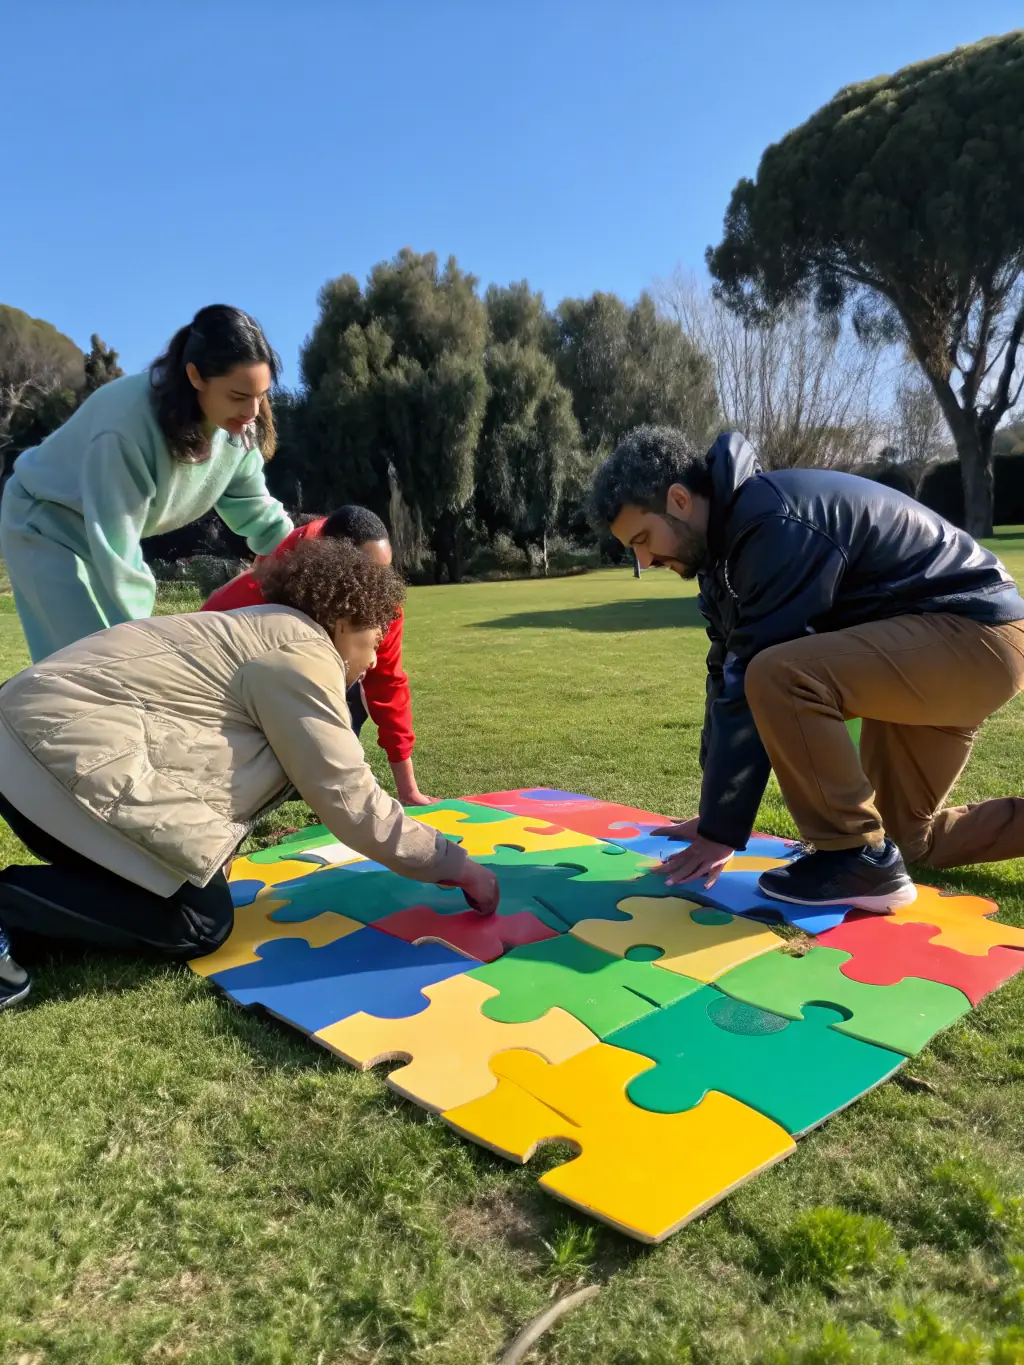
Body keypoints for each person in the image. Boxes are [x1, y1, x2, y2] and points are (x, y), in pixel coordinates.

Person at [0, 536, 499, 1010]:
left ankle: (24, 930)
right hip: (45, 747)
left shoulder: (267, 630)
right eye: (375, 638)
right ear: (345, 621)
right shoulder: (301, 654)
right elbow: (350, 799)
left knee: (187, 896)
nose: (373, 659)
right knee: (197, 922)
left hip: (35, 741)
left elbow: (204, 772)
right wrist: (457, 865)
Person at [591, 425, 1024, 912]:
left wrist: (721, 833)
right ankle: (875, 852)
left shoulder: (770, 522)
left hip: (975, 636)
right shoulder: (723, 562)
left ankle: (856, 856)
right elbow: (724, 679)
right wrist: (714, 816)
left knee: (779, 673)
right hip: (936, 650)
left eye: (643, 538)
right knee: (906, 841)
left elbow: (755, 674)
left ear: (678, 499)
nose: (643, 559)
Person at [0, 304, 294, 662]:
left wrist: (304, 567)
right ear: (195, 377)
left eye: (260, 395)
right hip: (46, 524)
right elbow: (116, 547)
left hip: (103, 535)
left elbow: (259, 514)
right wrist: (149, 647)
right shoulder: (125, 429)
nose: (252, 412)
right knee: (83, 667)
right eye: (238, 396)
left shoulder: (236, 430)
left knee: (115, 670)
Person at [202, 505, 433, 806]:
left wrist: (408, 790)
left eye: (384, 573)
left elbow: (387, 684)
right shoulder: (258, 595)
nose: (381, 588)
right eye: (368, 574)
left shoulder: (380, 600)